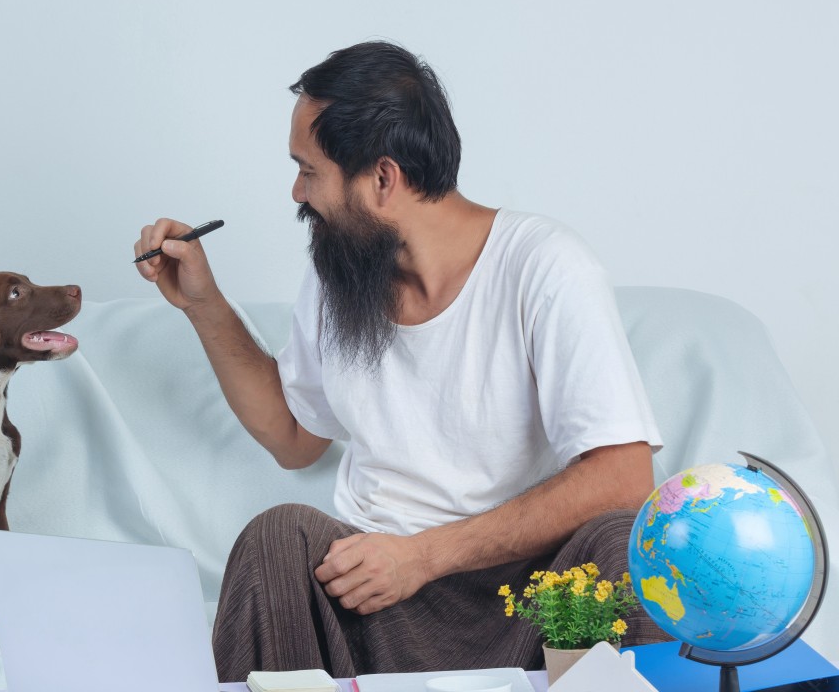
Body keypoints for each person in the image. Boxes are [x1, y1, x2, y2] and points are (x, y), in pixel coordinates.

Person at [133, 41, 667, 678]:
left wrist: (423, 556)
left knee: (623, 542)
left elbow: (624, 477)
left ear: (383, 178)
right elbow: (295, 438)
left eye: (309, 170)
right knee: (277, 538)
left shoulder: (546, 265)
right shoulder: (340, 277)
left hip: (528, 602)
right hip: (375, 596)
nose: (297, 191)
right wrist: (204, 304)